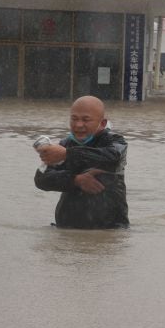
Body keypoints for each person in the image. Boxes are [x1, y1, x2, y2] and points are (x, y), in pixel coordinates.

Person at [34, 95, 129, 229]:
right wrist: (75, 180)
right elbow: (41, 179)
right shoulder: (64, 144)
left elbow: (112, 158)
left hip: (109, 231)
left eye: (86, 120)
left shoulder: (115, 142)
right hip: (66, 230)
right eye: (74, 119)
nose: (79, 125)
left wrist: (68, 154)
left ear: (102, 123)